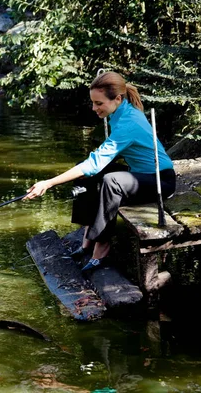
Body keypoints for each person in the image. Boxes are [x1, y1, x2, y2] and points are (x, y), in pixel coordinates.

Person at [24, 71, 176, 272]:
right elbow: (96, 164)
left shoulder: (129, 122)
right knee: (88, 171)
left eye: (98, 103)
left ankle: (102, 244)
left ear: (118, 99)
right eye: (93, 103)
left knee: (111, 180)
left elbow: (95, 163)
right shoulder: (122, 112)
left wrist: (48, 183)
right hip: (140, 174)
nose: (94, 108)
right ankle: (88, 236)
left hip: (159, 182)